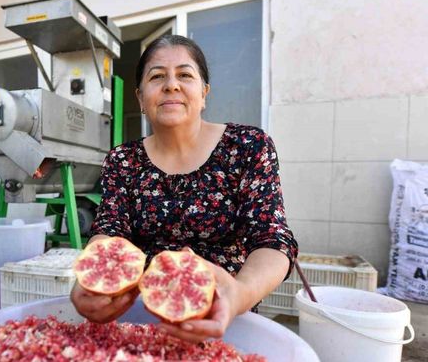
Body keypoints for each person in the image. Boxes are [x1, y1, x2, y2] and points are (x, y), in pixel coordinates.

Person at [70, 34, 298, 343]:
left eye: (185, 75)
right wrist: (92, 277)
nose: (171, 85)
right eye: (157, 76)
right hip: (142, 321)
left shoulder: (248, 147)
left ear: (204, 93)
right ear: (140, 98)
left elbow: (272, 239)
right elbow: (110, 230)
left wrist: (240, 294)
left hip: (227, 320)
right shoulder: (123, 160)